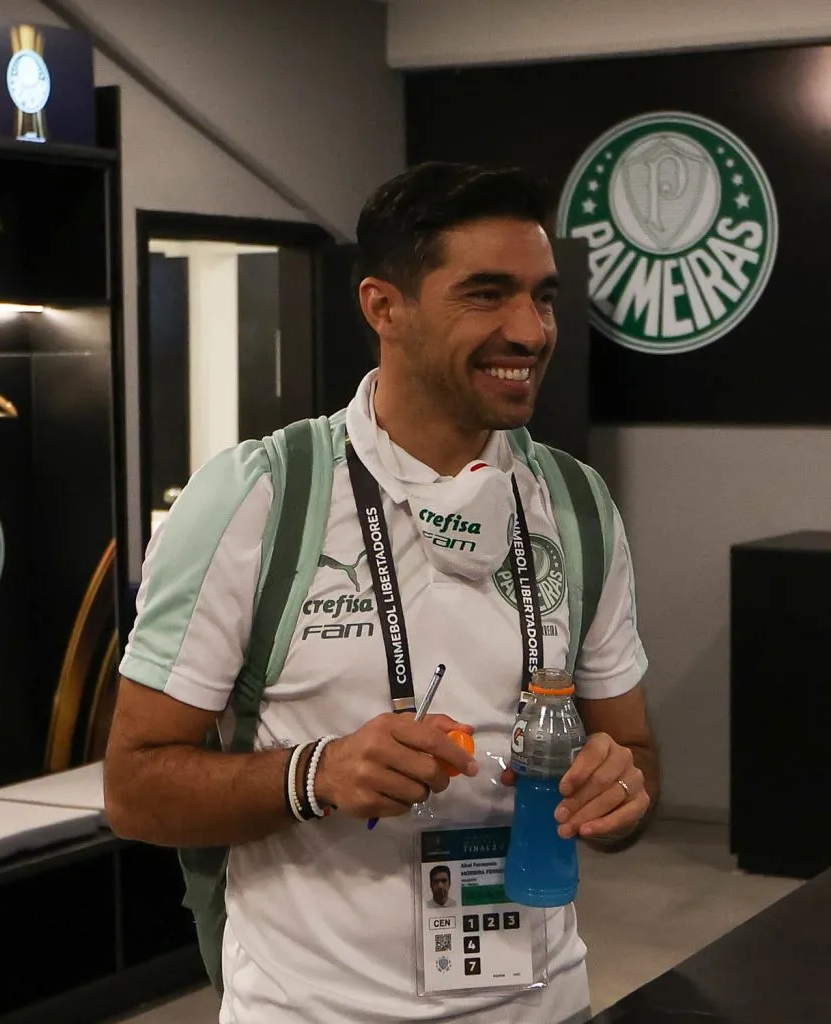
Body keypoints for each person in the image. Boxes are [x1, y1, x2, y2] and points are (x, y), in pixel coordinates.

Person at [105, 161, 660, 1024]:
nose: (530, 330)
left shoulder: (576, 505)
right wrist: (314, 774)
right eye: (485, 294)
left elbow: (633, 752)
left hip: (545, 1004)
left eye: (542, 297)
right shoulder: (259, 499)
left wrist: (618, 795)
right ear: (382, 307)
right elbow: (135, 790)